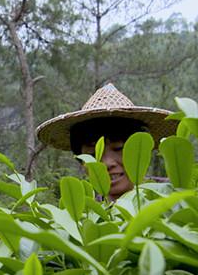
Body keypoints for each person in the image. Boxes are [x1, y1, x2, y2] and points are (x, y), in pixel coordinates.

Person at [35, 83, 178, 201]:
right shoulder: (84, 218)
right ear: (82, 162)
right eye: (93, 154)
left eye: (119, 148)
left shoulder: (173, 196)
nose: (107, 163)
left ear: (141, 151)